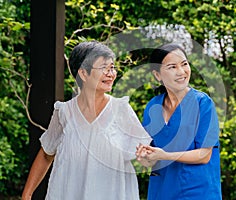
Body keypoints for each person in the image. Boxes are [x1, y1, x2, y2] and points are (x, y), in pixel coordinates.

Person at [22, 41, 151, 200]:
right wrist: (27, 195)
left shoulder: (121, 109)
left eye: (112, 68)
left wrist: (145, 156)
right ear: (83, 73)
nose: (111, 74)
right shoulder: (64, 112)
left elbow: (145, 154)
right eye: (104, 68)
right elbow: (46, 154)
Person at [136, 43, 222, 199]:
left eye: (184, 64)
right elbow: (152, 157)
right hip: (162, 191)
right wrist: (145, 158)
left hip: (197, 191)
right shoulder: (152, 107)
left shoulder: (203, 104)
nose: (181, 72)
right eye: (172, 67)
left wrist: (165, 155)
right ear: (158, 75)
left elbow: (204, 155)